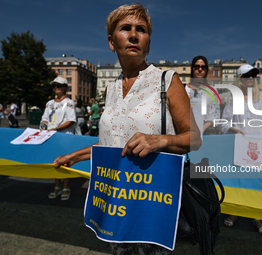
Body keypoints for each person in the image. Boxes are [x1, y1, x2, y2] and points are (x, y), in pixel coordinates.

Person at [53, 3, 201, 254]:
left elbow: (195, 138)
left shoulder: (167, 80)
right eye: (125, 28)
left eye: (141, 30)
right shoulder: (110, 89)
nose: (134, 35)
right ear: (112, 42)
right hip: (116, 200)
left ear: (148, 44)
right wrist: (74, 156)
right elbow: (112, 143)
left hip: (152, 200)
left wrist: (158, 141)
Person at [221, 64, 262, 236]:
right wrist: (235, 129)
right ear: (239, 79)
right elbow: (224, 122)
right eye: (246, 76)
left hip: (261, 146)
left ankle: (257, 217)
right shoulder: (233, 100)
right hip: (240, 144)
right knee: (239, 180)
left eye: (253, 75)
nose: (250, 78)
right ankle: (234, 213)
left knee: (257, 183)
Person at [41, 76, 76, 201]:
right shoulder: (49, 103)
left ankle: (66, 186)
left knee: (65, 162)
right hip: (52, 137)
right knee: (55, 162)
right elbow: (44, 118)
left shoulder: (69, 103)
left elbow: (71, 120)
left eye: (59, 86)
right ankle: (57, 186)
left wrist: (55, 128)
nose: (56, 88)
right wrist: (45, 127)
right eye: (54, 86)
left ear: (66, 88)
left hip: (65, 137)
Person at [185, 56, 220, 135]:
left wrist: (202, 128)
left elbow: (215, 115)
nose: (200, 69)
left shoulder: (212, 91)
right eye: (197, 67)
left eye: (203, 67)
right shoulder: (184, 89)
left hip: (204, 133)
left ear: (206, 70)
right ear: (192, 68)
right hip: (185, 132)